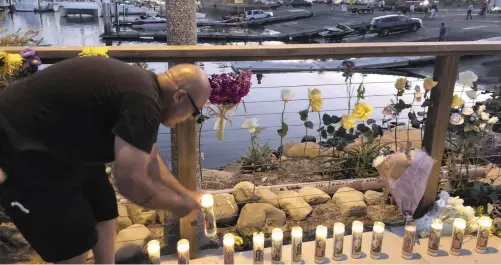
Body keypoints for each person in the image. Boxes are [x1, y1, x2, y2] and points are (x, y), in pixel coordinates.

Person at [0, 56, 211, 264]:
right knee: (73, 242)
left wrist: (186, 194)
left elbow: (151, 159)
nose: (189, 120)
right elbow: (130, 183)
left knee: (104, 206)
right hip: (18, 146)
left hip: (63, 147)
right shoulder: (143, 102)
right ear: (180, 96)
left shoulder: (144, 89)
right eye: (194, 112)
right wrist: (174, 204)